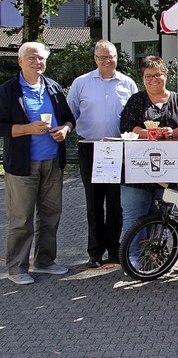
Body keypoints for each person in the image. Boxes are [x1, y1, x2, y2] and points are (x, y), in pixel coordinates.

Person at [0, 42, 76, 285]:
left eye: (41, 58)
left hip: (52, 161)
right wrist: (27, 129)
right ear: (20, 61)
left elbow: (69, 118)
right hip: (23, 165)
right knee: (21, 218)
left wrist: (65, 129)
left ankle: (44, 261)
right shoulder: (8, 90)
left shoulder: (52, 87)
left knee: (51, 214)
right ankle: (16, 268)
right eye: (31, 58)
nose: (37, 62)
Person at [67, 40, 138, 268]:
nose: (108, 61)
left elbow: (136, 114)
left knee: (117, 204)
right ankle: (95, 252)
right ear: (95, 59)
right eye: (102, 57)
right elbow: (71, 113)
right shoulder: (81, 83)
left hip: (119, 148)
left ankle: (115, 250)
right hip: (90, 147)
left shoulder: (127, 83)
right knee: (94, 203)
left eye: (111, 56)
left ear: (117, 57)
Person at [119, 56, 178, 237]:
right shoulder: (136, 100)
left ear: (166, 75)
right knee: (134, 220)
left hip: (168, 171)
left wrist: (172, 133)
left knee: (163, 218)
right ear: (142, 78)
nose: (154, 79)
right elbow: (126, 127)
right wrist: (151, 134)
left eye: (158, 75)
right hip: (136, 173)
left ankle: (158, 260)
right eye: (148, 76)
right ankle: (133, 260)